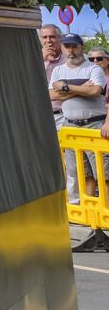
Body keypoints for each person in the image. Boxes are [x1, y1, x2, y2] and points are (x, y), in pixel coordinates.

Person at [51, 33, 107, 205]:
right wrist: (81, 88)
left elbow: (94, 91)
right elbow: (51, 95)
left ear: (81, 47)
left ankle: (106, 212)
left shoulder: (93, 68)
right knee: (82, 173)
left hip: (94, 125)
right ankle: (90, 212)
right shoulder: (58, 70)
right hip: (70, 126)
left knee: (103, 173)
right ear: (62, 48)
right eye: (67, 46)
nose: (71, 50)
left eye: (74, 46)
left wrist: (65, 87)